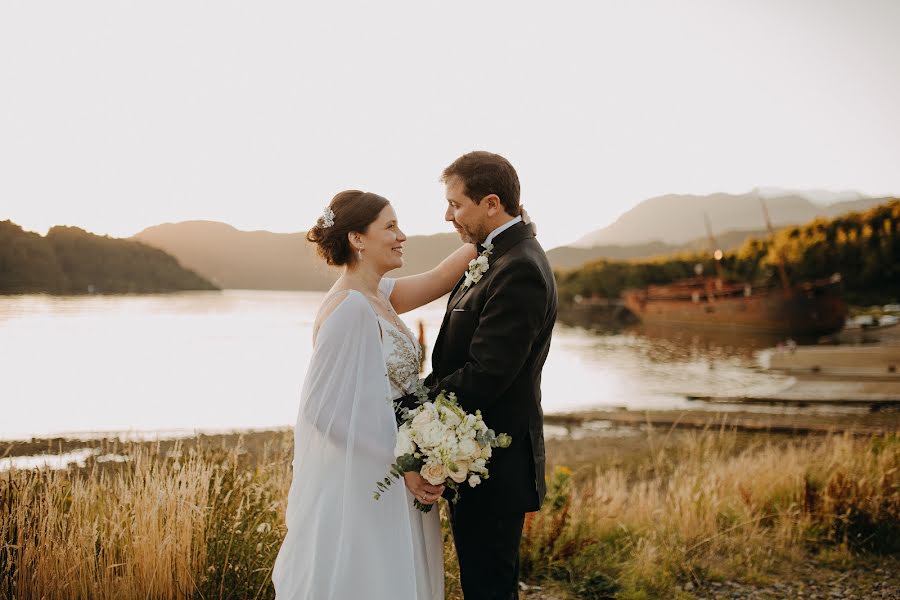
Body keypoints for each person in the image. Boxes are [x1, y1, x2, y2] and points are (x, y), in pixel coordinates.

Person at [272, 190, 476, 599]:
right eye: (390, 226)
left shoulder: (378, 294)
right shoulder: (348, 308)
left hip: (395, 470)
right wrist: (404, 461)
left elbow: (439, 278)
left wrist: (494, 234)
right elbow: (320, 409)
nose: (402, 235)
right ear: (357, 239)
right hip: (371, 478)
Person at [396, 151, 558, 600]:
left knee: (489, 587)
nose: (448, 215)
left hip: (495, 465)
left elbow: (486, 375)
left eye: (456, 204)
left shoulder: (520, 268)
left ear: (491, 204)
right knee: (483, 583)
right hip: (477, 460)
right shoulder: (497, 255)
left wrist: (410, 405)